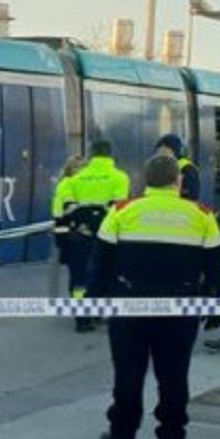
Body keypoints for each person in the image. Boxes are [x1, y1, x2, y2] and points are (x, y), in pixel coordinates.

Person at [92, 153, 220, 439]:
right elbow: (216, 267)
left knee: (128, 372)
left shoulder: (122, 211)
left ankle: (123, 434)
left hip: (129, 308)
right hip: (180, 310)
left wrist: (93, 303)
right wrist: (217, 308)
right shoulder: (202, 215)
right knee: (174, 375)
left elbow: (99, 262)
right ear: (178, 181)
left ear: (144, 180)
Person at [51, 141, 130, 333]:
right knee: (107, 274)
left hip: (80, 235)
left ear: (92, 155)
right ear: (111, 155)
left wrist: (68, 234)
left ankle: (82, 318)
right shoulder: (120, 177)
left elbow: (66, 209)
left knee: (79, 277)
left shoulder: (76, 179)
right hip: (107, 236)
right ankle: (101, 311)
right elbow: (119, 209)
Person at [154, 134, 202, 203]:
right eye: (159, 152)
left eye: (164, 151)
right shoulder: (161, 166)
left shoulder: (187, 168)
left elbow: (191, 196)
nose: (160, 155)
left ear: (174, 151)